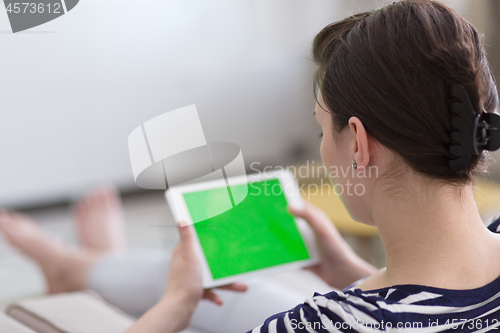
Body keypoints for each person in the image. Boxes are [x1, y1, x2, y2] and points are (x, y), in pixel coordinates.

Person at [2, 0, 500, 331]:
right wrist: (353, 274)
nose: (323, 148)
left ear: (360, 146)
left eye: (322, 128)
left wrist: (174, 306)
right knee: (252, 280)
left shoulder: (317, 324)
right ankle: (84, 265)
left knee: (206, 285)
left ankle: (78, 266)